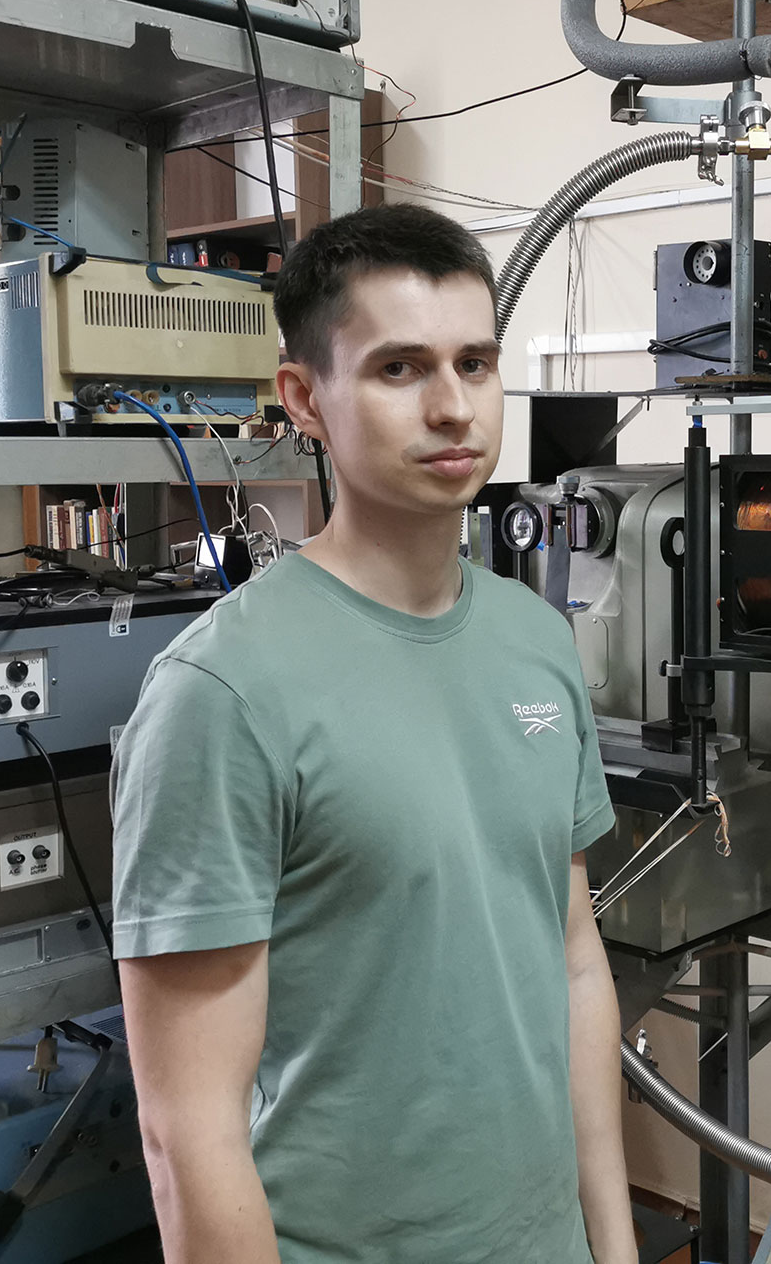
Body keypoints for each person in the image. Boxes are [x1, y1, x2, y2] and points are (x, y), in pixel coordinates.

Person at [110, 204, 635, 1264]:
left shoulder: (538, 642)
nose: (453, 407)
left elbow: (574, 964)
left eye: (475, 363)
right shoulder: (221, 692)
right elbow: (186, 1133)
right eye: (400, 369)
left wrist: (612, 1247)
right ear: (305, 398)